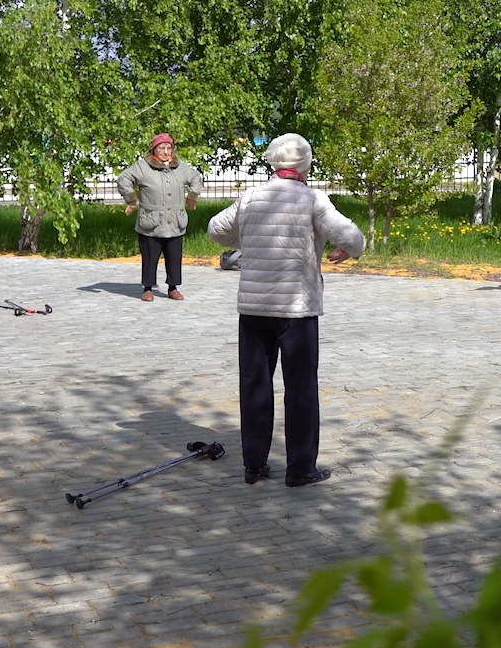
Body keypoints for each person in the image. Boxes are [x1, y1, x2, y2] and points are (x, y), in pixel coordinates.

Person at [207, 133, 366, 488]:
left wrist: (248, 238)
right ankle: (300, 468)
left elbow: (216, 229)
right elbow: (351, 236)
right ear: (304, 165)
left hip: (254, 309)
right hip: (297, 309)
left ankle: (254, 464)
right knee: (300, 388)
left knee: (254, 384)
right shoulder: (312, 199)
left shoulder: (251, 196)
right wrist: (349, 250)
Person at [117, 133, 206, 302]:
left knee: (174, 257)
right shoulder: (143, 166)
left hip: (175, 221)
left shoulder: (179, 167)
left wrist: (192, 196)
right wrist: (131, 200)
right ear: (154, 149)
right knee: (150, 257)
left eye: (168, 148)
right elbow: (124, 179)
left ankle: (173, 288)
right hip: (151, 222)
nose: (166, 152)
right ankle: (148, 288)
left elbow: (195, 177)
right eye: (162, 148)